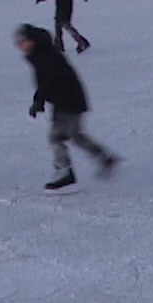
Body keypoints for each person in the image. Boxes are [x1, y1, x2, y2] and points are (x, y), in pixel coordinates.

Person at [15, 24, 117, 192]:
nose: (21, 47)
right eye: (19, 44)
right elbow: (44, 82)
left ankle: (65, 172)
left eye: (23, 42)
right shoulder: (39, 54)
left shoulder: (45, 55)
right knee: (74, 136)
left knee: (57, 137)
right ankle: (105, 159)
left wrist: (41, 100)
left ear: (31, 40)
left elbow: (51, 80)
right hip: (66, 100)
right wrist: (39, 100)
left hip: (68, 100)